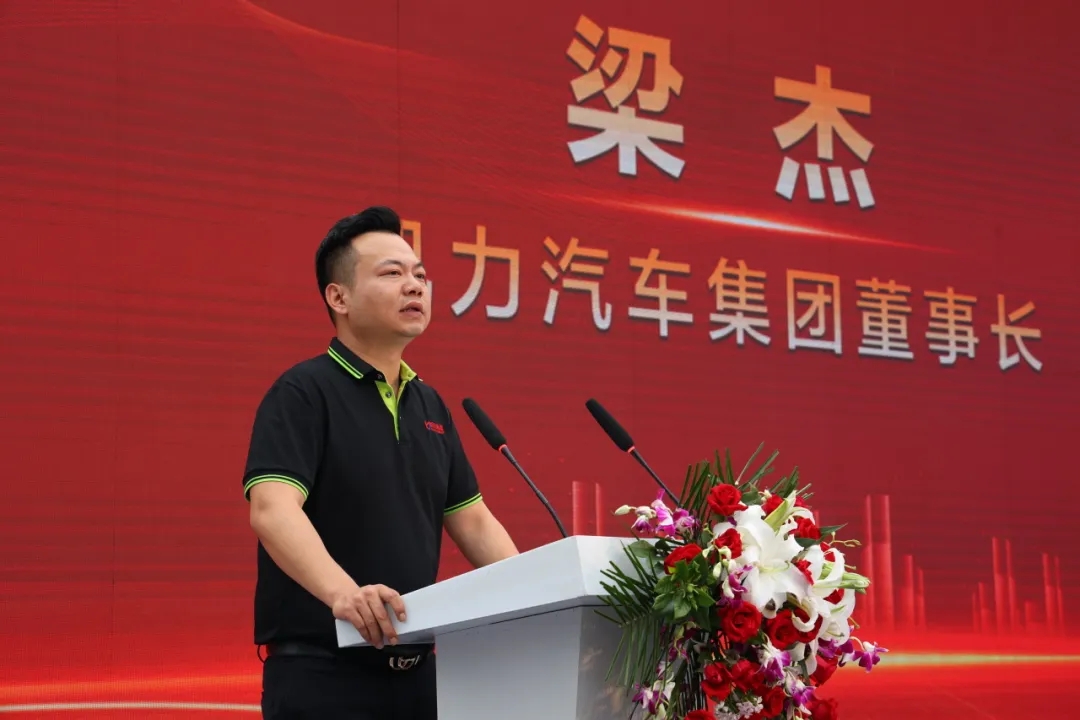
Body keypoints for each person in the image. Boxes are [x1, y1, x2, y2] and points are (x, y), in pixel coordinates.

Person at [242, 206, 519, 719]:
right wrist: (345, 595)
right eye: (392, 273)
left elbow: (475, 522)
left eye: (420, 276)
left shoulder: (429, 405)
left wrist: (538, 594)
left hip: (418, 681)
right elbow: (272, 510)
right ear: (339, 297)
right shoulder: (303, 392)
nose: (414, 286)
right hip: (323, 677)